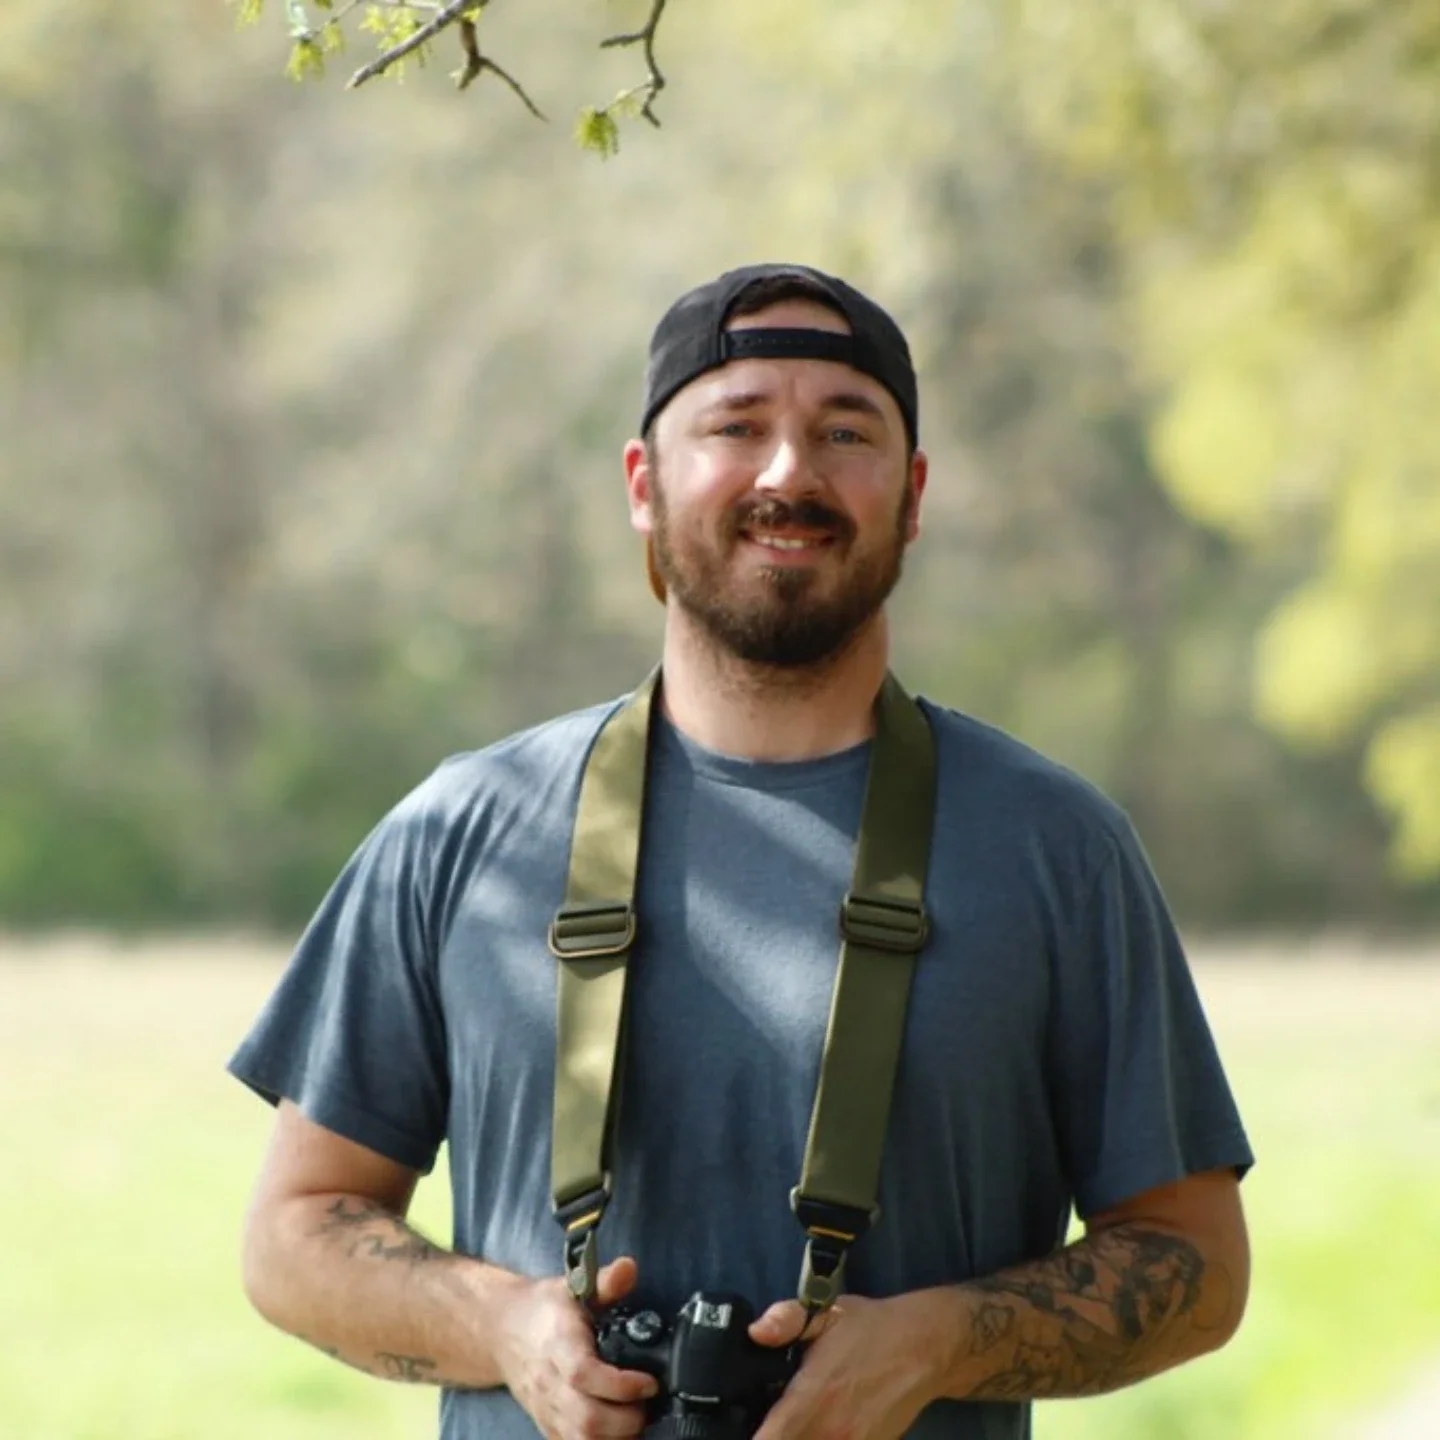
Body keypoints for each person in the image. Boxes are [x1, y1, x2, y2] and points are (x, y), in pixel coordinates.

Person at [230, 262, 1254, 1440]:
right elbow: (294, 1235)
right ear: (644, 483)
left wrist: (938, 1342)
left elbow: (1197, 1261)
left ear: (913, 493)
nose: (789, 473)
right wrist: (505, 1327)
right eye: (737, 425)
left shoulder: (1058, 851)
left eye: (846, 431)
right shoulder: (464, 834)